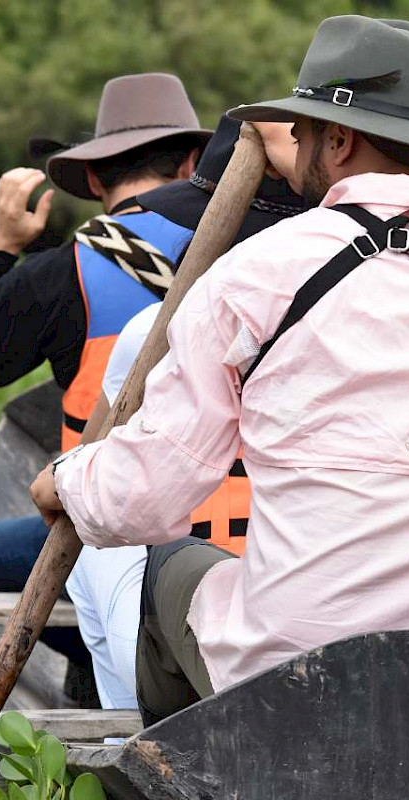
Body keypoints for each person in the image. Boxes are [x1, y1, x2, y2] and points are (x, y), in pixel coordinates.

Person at [31, 14, 409, 726]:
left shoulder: (259, 274)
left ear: (339, 137)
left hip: (297, 673)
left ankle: (178, 756)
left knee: (164, 563)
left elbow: (145, 498)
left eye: (309, 129)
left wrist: (65, 482)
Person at [0, 74, 212, 635]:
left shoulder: (62, 270)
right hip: (241, 521)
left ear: (89, 176)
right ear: (192, 164)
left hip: (116, 527)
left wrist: (1, 247)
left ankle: (95, 662)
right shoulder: (260, 248)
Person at [65, 118, 303, 709]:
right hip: (364, 615)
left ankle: (130, 729)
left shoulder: (159, 330)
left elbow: (127, 496)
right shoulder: (381, 313)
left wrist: (60, 483)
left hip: (251, 632)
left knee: (94, 548)